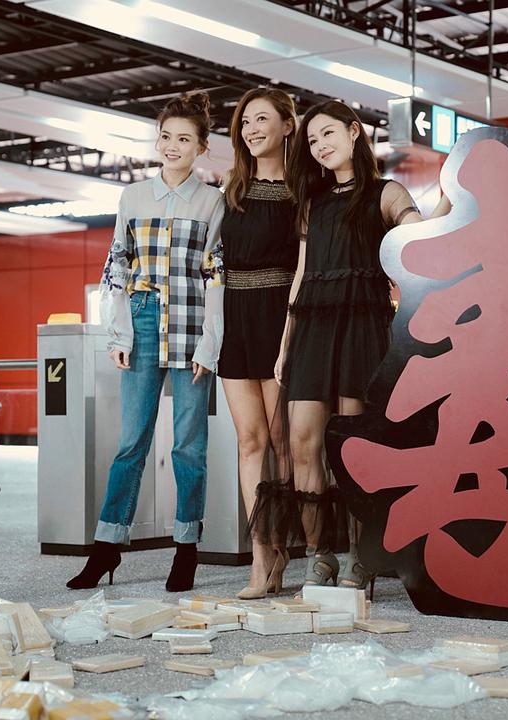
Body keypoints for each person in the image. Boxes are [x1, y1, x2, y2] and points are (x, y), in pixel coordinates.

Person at [278, 100, 450, 590]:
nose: (320, 145)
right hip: (312, 325)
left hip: (361, 324)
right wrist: (285, 344)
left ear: (354, 132)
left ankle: (360, 556)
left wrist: (447, 197)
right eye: (312, 140)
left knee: (354, 444)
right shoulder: (313, 202)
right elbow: (302, 274)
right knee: (303, 441)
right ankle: (318, 555)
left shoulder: (385, 193)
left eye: (328, 133)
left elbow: (418, 238)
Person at [67, 91, 225, 593]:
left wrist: (210, 345)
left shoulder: (213, 201)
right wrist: (119, 332)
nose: (172, 145)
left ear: (201, 147)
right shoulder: (133, 197)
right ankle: (106, 547)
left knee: (188, 447)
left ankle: (186, 549)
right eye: (166, 136)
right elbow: (117, 264)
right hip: (142, 323)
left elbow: (216, 275)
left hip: (191, 328)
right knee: (131, 442)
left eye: (184, 139)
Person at [217, 88, 300, 599]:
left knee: (282, 443)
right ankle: (260, 556)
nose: (250, 129)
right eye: (245, 121)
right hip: (236, 318)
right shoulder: (232, 185)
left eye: (261, 119)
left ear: (287, 126)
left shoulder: (303, 188)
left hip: (279, 317)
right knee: (249, 442)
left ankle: (285, 546)